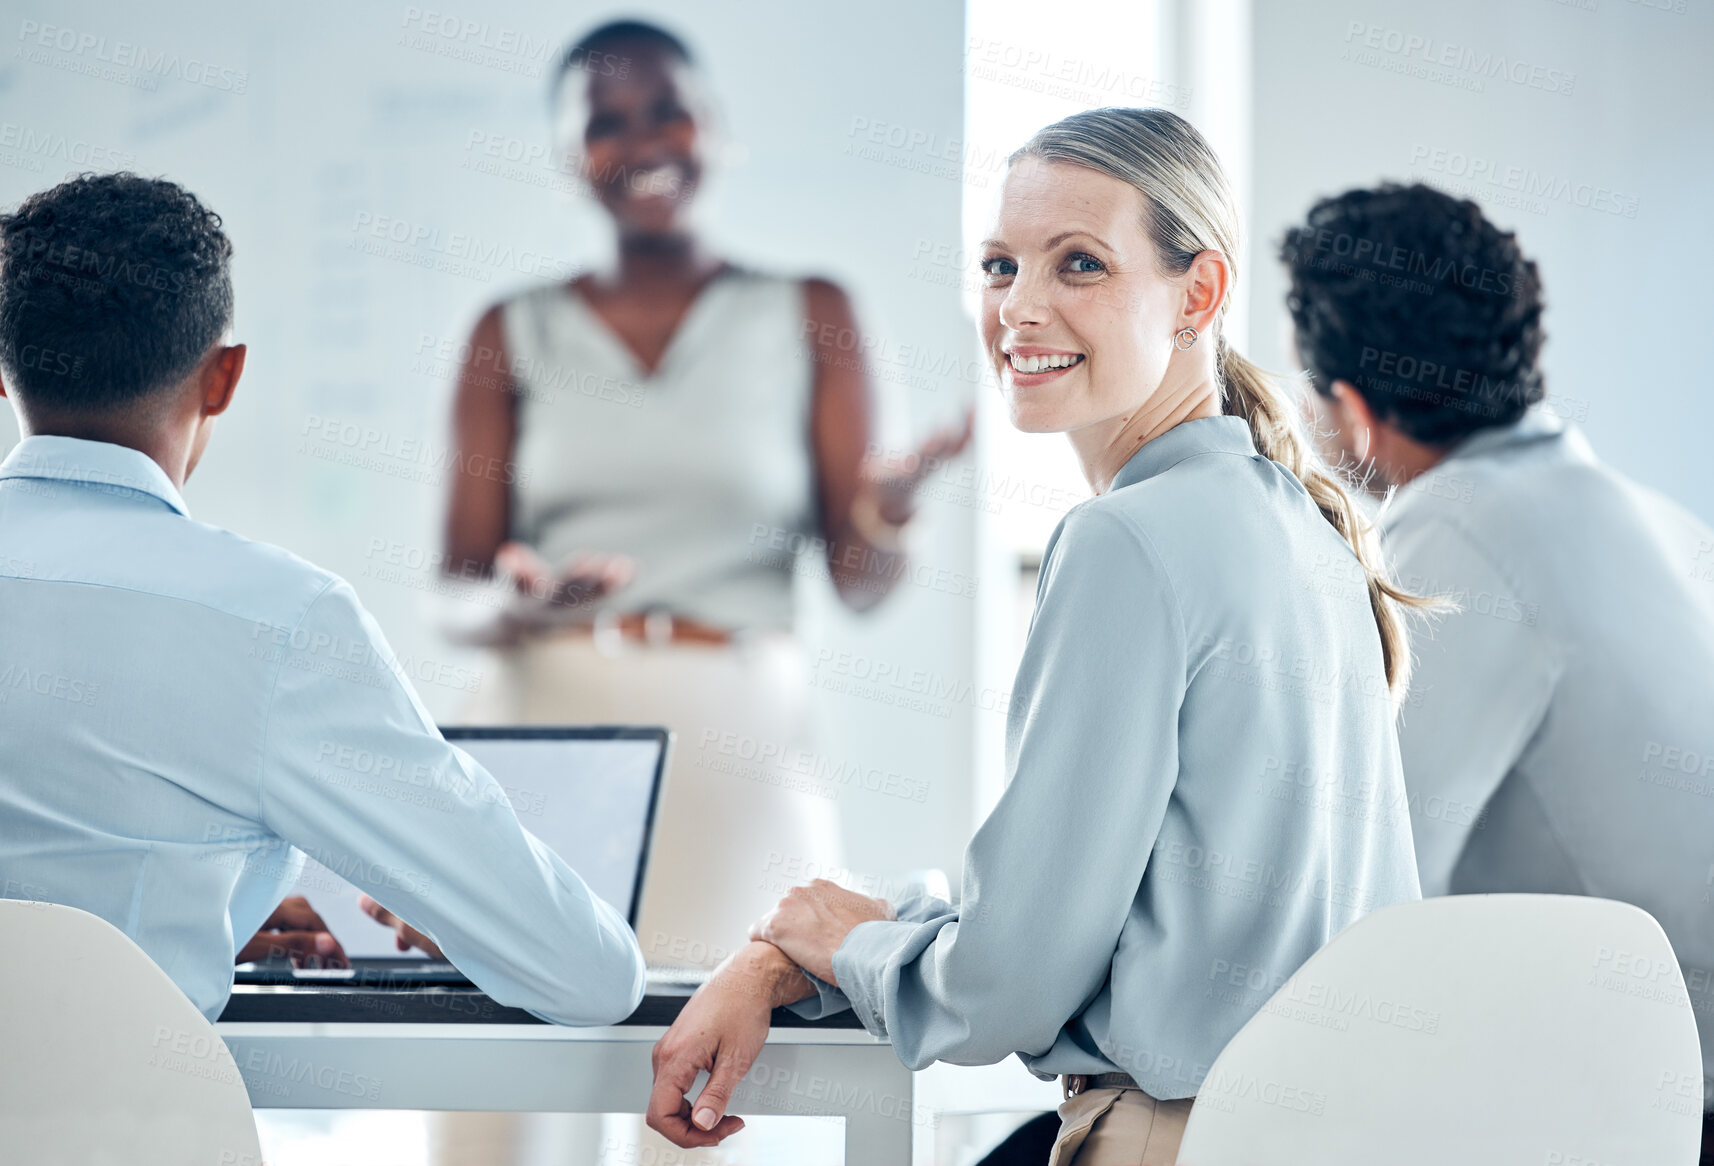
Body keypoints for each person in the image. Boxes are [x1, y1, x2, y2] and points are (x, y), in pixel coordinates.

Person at [645, 107, 1424, 1166]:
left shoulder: (1125, 542)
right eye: (1001, 264)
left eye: (1080, 265)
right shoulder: (1301, 527)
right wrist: (814, 944)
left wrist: (837, 945)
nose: (1021, 306)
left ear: (1197, 293)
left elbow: (1002, 988)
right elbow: (1066, 900)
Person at [0, 171, 646, 1029]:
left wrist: (205, 911)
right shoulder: (279, 620)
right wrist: (484, 926)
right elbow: (588, 978)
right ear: (223, 379)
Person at [441, 18, 971, 972]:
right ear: (569, 156)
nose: (643, 142)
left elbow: (857, 584)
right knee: (506, 1081)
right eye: (607, 122)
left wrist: (887, 512)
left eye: (666, 112)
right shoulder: (508, 331)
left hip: (739, 738)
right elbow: (455, 591)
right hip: (543, 729)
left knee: (732, 1058)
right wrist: (519, 607)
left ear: (713, 127)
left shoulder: (812, 312)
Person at [1279, 181, 1714, 1157]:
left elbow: (1357, 899)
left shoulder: (1452, 533)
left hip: (1656, 1109)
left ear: (1349, 410)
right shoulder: (1639, 514)